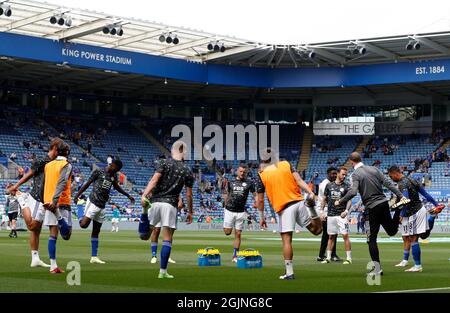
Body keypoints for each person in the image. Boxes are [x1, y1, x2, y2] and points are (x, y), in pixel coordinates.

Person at [336, 152, 408, 276]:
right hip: (383, 203)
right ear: (361, 159)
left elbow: (353, 192)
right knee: (391, 231)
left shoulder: (355, 174)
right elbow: (388, 184)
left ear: (351, 162)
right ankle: (397, 209)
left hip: (371, 207)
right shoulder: (374, 169)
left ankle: (377, 269)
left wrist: (340, 201)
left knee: (371, 240)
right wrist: (400, 196)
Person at [256, 149, 322, 280]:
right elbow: (299, 180)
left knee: (286, 240)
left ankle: (289, 272)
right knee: (317, 230)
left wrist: (262, 217)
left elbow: (260, 200)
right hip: (299, 202)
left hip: (285, 208)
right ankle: (312, 209)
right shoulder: (286, 164)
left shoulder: (262, 174)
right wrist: (310, 193)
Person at [139, 141, 194, 279]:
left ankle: (144, 212)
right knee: (167, 238)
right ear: (183, 152)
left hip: (155, 202)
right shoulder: (187, 169)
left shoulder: (163, 163)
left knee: (144, 236)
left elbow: (154, 180)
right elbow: (188, 194)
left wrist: (144, 194)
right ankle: (162, 272)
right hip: (170, 205)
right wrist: (190, 212)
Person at [8, 138, 63, 268]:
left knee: (36, 230)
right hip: (39, 197)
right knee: (33, 226)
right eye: (59, 149)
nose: (60, 152)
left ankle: (35, 258)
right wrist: (15, 187)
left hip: (45, 198)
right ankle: (21, 198)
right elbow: (29, 174)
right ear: (55, 148)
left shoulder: (55, 162)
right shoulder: (43, 160)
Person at [74, 159, 135, 264]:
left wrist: (128, 195)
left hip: (102, 206)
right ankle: (80, 207)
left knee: (96, 232)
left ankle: (94, 257)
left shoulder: (113, 175)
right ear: (112, 165)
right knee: (83, 225)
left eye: (118, 170)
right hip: (93, 201)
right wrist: (77, 195)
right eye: (116, 169)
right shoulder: (99, 172)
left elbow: (116, 186)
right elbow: (87, 184)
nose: (116, 171)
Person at [388, 165, 445, 272]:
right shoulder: (412, 179)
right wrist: (436, 204)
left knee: (414, 238)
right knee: (418, 236)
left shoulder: (402, 184)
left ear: (395, 174)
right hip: (419, 210)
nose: (391, 178)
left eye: (391, 176)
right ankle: (432, 217)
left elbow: (406, 200)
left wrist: (398, 211)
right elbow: (425, 194)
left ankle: (417, 266)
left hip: (414, 212)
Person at [42, 141, 74, 274]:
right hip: (60, 202)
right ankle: (59, 217)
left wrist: (47, 201)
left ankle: (53, 266)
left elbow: (45, 183)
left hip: (48, 201)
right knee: (67, 234)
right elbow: (61, 183)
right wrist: (55, 202)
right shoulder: (66, 165)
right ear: (66, 152)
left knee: (52, 235)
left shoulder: (48, 165)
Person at [223, 164, 257, 262]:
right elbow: (227, 194)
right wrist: (225, 205)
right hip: (229, 210)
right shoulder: (231, 182)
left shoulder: (249, 183)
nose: (242, 173)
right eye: (241, 171)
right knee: (227, 232)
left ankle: (235, 256)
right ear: (237, 171)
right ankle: (228, 227)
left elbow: (255, 195)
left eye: (244, 172)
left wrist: (256, 202)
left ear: (246, 172)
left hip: (241, 212)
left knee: (238, 234)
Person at [320, 167, 353, 264]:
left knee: (345, 236)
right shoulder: (329, 185)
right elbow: (324, 199)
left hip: (341, 215)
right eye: (343, 174)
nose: (344, 176)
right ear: (338, 173)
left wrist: (346, 211)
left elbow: (349, 200)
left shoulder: (347, 186)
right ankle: (328, 257)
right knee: (331, 236)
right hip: (330, 215)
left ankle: (349, 258)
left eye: (345, 175)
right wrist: (322, 212)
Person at [150, 195, 182, 264]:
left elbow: (177, 189)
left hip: (171, 205)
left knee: (169, 232)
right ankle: (154, 255)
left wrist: (180, 200)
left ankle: (167, 256)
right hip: (158, 203)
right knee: (156, 230)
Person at [317, 167, 340, 262]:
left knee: (331, 233)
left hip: (330, 211)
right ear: (328, 174)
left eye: (335, 174)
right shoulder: (325, 184)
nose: (335, 175)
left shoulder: (330, 184)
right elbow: (324, 200)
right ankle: (328, 254)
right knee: (329, 234)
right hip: (326, 211)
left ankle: (323, 254)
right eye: (333, 174)